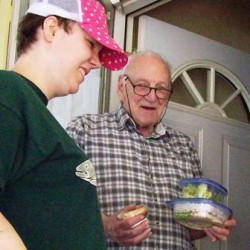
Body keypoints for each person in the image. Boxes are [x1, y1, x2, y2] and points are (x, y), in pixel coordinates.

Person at [66, 51, 236, 249]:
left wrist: (209, 222)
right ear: (122, 87)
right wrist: (107, 226)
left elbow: (189, 227)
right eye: (142, 86)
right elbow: (63, 203)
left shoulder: (184, 146)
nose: (153, 96)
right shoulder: (85, 130)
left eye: (162, 89)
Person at [0, 0, 128, 249]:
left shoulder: (37, 115)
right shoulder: (8, 93)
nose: (97, 61)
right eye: (90, 44)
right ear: (52, 28)